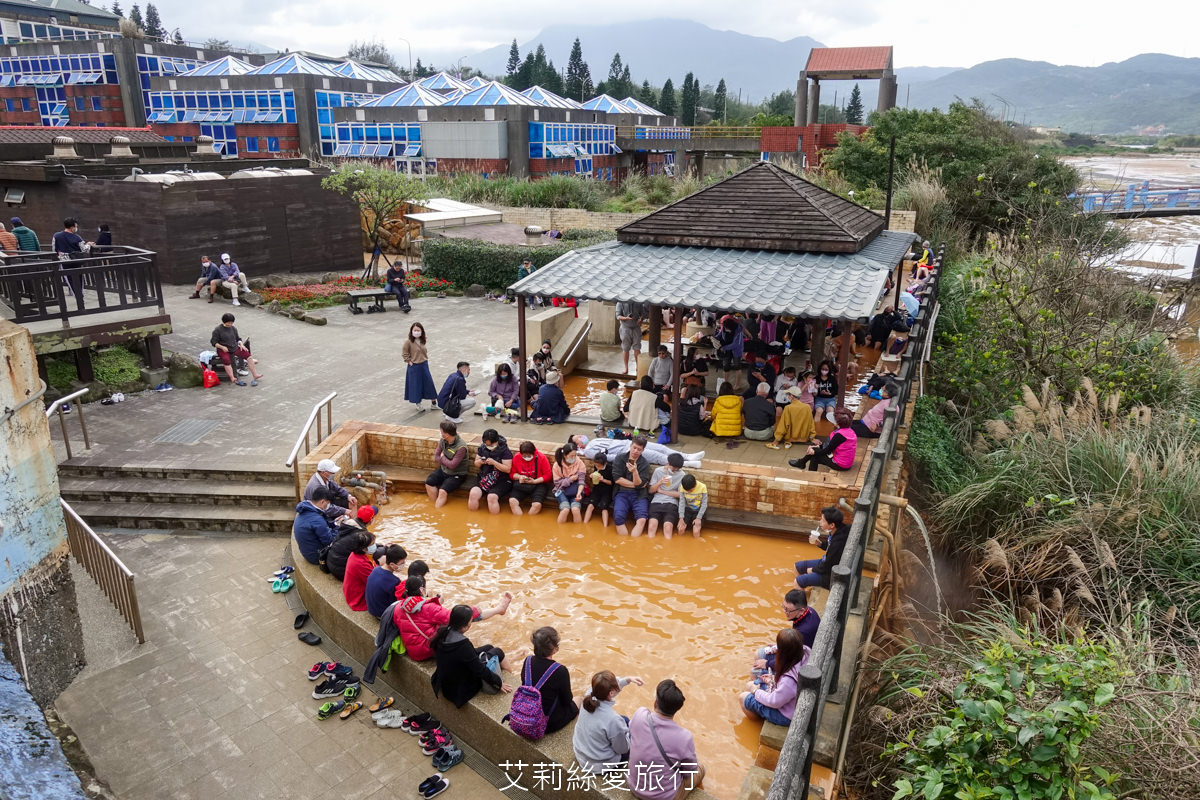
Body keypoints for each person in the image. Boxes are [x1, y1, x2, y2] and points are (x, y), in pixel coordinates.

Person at [397, 577, 512, 661]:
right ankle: (499, 609)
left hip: (414, 651)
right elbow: (453, 617)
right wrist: (473, 611)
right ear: (422, 590)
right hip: (427, 651)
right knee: (463, 617)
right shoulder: (428, 607)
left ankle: (498, 609)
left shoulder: (400, 606)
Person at [627, 680, 705, 800]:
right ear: (676, 710)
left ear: (655, 703)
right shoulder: (684, 737)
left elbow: (631, 733)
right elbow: (688, 772)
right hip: (662, 797)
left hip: (633, 786)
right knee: (701, 768)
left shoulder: (640, 715)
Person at [430, 605, 513, 707]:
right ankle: (508, 677)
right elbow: (479, 670)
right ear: (465, 626)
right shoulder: (463, 645)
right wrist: (498, 683)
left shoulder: (443, 632)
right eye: (470, 623)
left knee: (489, 647)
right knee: (498, 651)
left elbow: (465, 655)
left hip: (445, 684)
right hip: (459, 690)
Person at [573, 670, 645, 774]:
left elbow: (606, 690)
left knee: (624, 720)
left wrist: (627, 680)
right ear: (611, 693)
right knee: (633, 733)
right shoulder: (613, 719)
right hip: (599, 765)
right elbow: (622, 750)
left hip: (580, 753)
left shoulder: (589, 696)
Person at [740, 628, 806, 726]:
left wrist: (755, 691)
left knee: (742, 697)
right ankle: (759, 712)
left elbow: (774, 701)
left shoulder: (788, 680)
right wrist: (773, 680)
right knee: (751, 682)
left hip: (785, 714)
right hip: (790, 701)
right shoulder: (804, 653)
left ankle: (758, 723)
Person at [520, 627, 579, 734]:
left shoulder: (527, 661)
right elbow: (567, 700)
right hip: (546, 723)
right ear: (554, 648)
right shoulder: (560, 670)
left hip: (524, 714)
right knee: (579, 699)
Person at [568, 434, 705, 469]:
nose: (581, 437)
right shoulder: (589, 451)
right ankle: (686, 464)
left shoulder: (593, 440)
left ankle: (687, 456)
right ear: (577, 445)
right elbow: (609, 457)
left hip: (630, 443)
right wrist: (627, 456)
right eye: (578, 439)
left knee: (661, 448)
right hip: (628, 451)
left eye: (579, 435)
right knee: (657, 457)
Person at [794, 506, 850, 589]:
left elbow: (828, 565)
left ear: (832, 525)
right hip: (825, 562)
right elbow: (829, 547)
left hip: (831, 574)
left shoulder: (838, 542)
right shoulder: (836, 530)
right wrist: (819, 543)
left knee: (797, 582)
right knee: (797, 567)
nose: (820, 522)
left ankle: (801, 593)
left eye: (823, 520)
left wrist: (813, 570)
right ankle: (805, 586)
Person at [752, 589, 820, 655]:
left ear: (801, 611)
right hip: (800, 649)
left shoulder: (803, 632)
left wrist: (767, 663)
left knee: (758, 654)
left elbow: (792, 658)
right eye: (784, 607)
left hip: (802, 658)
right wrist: (782, 646)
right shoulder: (809, 610)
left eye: (788, 610)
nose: (785, 612)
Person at [788, 409, 857, 472]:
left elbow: (827, 451)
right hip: (846, 461)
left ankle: (802, 464)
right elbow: (831, 446)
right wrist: (818, 446)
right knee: (815, 451)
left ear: (837, 423)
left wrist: (813, 449)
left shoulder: (839, 436)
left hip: (841, 464)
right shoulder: (850, 431)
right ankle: (802, 463)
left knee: (815, 456)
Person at [612, 436, 652, 537]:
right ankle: (624, 543)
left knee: (642, 519)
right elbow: (617, 479)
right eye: (634, 448)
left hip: (639, 495)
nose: (635, 451)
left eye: (639, 449)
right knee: (618, 517)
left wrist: (635, 472)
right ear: (630, 446)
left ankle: (633, 543)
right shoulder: (620, 458)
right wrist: (637, 486)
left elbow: (640, 483)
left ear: (643, 450)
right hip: (622, 492)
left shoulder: (644, 464)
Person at [210, 312, 263, 386]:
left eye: (231, 322)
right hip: (223, 350)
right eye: (229, 323)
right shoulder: (217, 330)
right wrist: (222, 347)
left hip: (234, 347)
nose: (230, 324)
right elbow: (213, 342)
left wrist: (241, 344)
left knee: (249, 356)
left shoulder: (233, 328)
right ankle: (232, 378)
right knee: (226, 360)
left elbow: (238, 338)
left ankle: (255, 375)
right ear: (224, 321)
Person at [468, 428, 512, 514]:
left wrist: (494, 463)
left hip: (502, 480)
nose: (489, 447)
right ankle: (472, 520)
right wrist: (481, 461)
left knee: (491, 497)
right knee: (473, 493)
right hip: (485, 477)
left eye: (491, 445)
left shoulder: (505, 451)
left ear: (496, 441)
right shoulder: (482, 448)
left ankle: (494, 523)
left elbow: (508, 469)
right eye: (487, 444)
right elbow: (476, 464)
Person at [426, 420, 469, 508]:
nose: (440, 433)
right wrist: (445, 461)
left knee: (442, 491)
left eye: (441, 431)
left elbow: (453, 465)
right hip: (444, 469)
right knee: (429, 482)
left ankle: (437, 511)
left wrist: (442, 458)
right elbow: (436, 456)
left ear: (446, 434)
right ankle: (434, 506)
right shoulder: (443, 440)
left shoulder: (461, 447)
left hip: (457, 474)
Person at [325, 506, 374, 580]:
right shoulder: (361, 535)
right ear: (370, 520)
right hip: (341, 572)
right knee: (377, 556)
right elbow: (368, 553)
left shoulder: (347, 524)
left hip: (331, 562)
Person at [53, 218, 91, 310]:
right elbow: (84, 249)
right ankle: (80, 296)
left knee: (69, 280)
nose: (76, 228)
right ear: (72, 227)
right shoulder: (77, 237)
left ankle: (77, 297)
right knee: (79, 279)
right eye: (76, 226)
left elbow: (54, 248)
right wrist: (89, 244)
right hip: (76, 261)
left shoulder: (56, 236)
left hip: (64, 261)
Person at [292, 486, 335, 565]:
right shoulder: (317, 520)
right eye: (328, 504)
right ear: (322, 502)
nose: (328, 506)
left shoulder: (305, 508)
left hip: (307, 551)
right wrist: (338, 528)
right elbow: (329, 540)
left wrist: (334, 524)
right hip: (316, 556)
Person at [364, 543, 408, 618]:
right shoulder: (394, 581)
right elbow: (395, 604)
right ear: (392, 564)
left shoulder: (376, 569)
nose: (403, 565)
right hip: (382, 614)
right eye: (401, 563)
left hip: (371, 609)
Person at [402, 322, 438, 413]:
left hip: (424, 365)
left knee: (429, 383)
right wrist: (409, 361)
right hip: (414, 366)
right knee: (416, 386)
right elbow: (404, 353)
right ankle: (418, 404)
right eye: (415, 330)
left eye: (418, 330)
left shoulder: (422, 340)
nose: (416, 332)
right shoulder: (408, 342)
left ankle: (434, 403)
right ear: (411, 331)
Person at [647, 452, 685, 538]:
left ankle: (667, 548)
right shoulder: (658, 471)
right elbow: (650, 491)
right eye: (674, 468)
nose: (675, 470)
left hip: (671, 503)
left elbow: (680, 495)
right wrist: (660, 482)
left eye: (677, 469)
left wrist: (662, 491)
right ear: (668, 464)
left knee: (668, 528)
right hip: (656, 501)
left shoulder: (682, 474)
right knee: (651, 527)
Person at [508, 440, 551, 515]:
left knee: (536, 505)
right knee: (512, 501)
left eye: (529, 456)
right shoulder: (517, 457)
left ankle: (529, 521)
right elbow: (512, 474)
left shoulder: (541, 457)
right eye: (524, 456)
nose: (527, 458)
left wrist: (535, 481)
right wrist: (519, 477)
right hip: (522, 483)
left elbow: (548, 475)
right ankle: (519, 521)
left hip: (538, 484)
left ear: (533, 453)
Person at [342, 531, 378, 612]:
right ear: (364, 548)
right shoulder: (361, 564)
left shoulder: (356, 554)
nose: (375, 545)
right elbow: (374, 583)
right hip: (358, 597)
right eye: (372, 544)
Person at [552, 443, 587, 523]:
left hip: (576, 490)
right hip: (561, 491)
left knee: (575, 510)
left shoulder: (580, 463)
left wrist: (579, 493)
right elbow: (557, 484)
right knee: (565, 509)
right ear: (565, 455)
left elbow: (581, 481)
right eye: (571, 456)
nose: (574, 458)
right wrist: (570, 479)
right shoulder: (557, 465)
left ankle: (578, 533)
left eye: (575, 455)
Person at [714, 315, 745, 393]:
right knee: (725, 366)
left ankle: (737, 385)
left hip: (736, 350)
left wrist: (723, 348)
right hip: (726, 349)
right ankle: (725, 384)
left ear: (731, 327)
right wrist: (714, 338)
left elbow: (736, 344)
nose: (725, 329)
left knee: (737, 366)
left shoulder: (738, 330)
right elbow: (720, 335)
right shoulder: (724, 328)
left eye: (726, 327)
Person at [583, 452, 614, 526]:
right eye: (596, 466)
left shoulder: (610, 469)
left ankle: (605, 526)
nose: (597, 467)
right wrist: (591, 477)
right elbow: (593, 482)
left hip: (607, 491)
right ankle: (584, 524)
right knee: (590, 505)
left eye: (599, 466)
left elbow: (613, 483)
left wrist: (603, 480)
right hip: (597, 489)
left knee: (604, 508)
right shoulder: (596, 467)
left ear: (605, 463)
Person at [615, 300, 644, 374]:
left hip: (636, 327)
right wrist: (626, 318)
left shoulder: (638, 301)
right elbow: (618, 316)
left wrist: (641, 319)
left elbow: (642, 314)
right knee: (625, 348)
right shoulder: (620, 302)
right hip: (625, 327)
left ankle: (638, 366)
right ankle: (626, 367)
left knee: (637, 347)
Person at [677, 474, 707, 538]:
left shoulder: (703, 487)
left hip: (698, 510)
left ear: (695, 484)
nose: (689, 492)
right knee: (680, 529)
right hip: (687, 509)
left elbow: (704, 504)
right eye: (687, 491)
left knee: (696, 531)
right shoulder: (682, 487)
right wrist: (681, 518)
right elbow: (682, 503)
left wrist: (698, 518)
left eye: (690, 490)